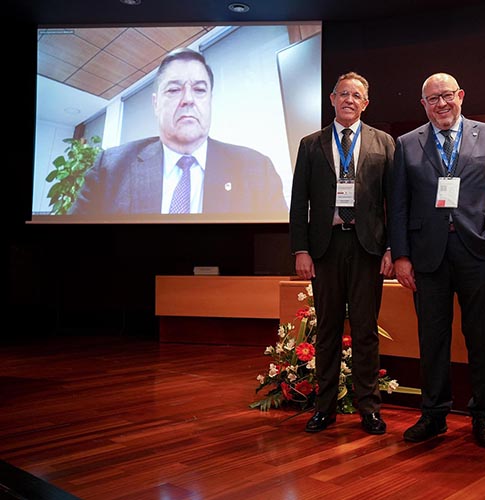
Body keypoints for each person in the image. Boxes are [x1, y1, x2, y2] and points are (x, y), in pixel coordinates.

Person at [388, 73, 485, 448]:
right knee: (432, 339)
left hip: (480, 252)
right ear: (423, 105)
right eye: (432, 99)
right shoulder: (406, 144)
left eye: (446, 96)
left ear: (461, 95)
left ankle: (484, 416)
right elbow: (398, 205)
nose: (441, 104)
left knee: (484, 338)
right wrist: (401, 255)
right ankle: (434, 414)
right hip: (428, 256)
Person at [289, 71, 395, 435]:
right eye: (343, 94)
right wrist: (301, 249)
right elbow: (298, 202)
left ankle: (370, 409)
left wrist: (392, 248)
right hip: (325, 248)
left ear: (366, 103)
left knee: (366, 331)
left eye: (356, 95)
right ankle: (325, 409)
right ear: (332, 99)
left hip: (368, 248)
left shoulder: (384, 143)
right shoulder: (310, 144)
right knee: (327, 331)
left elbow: (394, 201)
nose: (349, 100)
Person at [70, 47, 286, 218]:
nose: (188, 99)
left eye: (199, 90)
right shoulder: (111, 168)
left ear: (210, 101)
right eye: (174, 90)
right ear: (156, 103)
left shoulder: (256, 169)